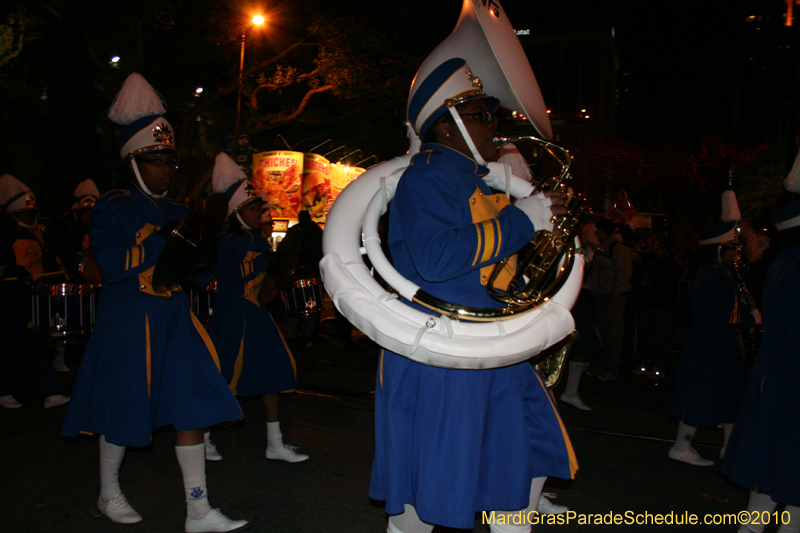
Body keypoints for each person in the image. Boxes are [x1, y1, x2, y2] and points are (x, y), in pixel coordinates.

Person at [369, 57, 577, 533]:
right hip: (445, 351)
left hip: (488, 343)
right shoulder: (429, 176)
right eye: (482, 114)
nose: (494, 124)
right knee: (435, 481)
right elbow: (437, 258)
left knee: (518, 459)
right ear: (446, 127)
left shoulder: (471, 180)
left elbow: (487, 270)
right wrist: (523, 219)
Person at [61, 73, 248, 532]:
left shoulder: (181, 210)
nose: (168, 168)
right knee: (123, 409)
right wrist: (165, 240)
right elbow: (111, 267)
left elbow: (198, 274)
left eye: (171, 160)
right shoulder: (114, 207)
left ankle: (199, 510)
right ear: (133, 161)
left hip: (174, 318)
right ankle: (109, 493)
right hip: (128, 320)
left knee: (192, 408)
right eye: (157, 159)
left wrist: (204, 252)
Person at [203, 151, 308, 464]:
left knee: (274, 375)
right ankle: (203, 438)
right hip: (233, 318)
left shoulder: (260, 241)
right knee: (223, 379)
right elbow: (227, 279)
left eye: (257, 206)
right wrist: (259, 264)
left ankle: (274, 443)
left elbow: (267, 285)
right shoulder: (225, 241)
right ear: (236, 211)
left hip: (258, 318)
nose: (257, 212)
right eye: (251, 208)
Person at [720, 191, 800, 533]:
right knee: (786, 471)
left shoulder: (787, 264)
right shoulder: (796, 269)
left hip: (781, 377)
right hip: (789, 381)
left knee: (776, 469)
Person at [668, 219, 760, 466]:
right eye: (731, 248)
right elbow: (719, 315)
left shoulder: (715, 273)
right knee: (700, 395)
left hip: (717, 344)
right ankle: (681, 446)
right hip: (709, 345)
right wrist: (750, 317)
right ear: (720, 249)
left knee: (732, 394)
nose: (734, 253)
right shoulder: (715, 275)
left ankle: (730, 450)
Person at [0, 173, 70, 409]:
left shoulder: (37, 235)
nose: (30, 217)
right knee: (10, 346)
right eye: (24, 214)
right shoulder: (4, 236)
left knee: (35, 343)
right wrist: (13, 270)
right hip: (11, 298)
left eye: (32, 213)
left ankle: (50, 393)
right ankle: (4, 391)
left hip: (32, 297)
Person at [631, 237, 681, 379]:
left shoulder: (669, 263)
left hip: (661, 305)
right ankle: (646, 362)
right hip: (646, 302)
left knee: (659, 337)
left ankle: (658, 365)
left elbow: (666, 280)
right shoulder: (649, 259)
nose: (654, 249)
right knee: (645, 335)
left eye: (658, 247)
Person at [590, 218, 632, 380]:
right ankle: (601, 365)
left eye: (598, 231)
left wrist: (616, 293)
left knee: (613, 334)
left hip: (613, 298)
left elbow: (624, 272)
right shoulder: (601, 248)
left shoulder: (617, 248)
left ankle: (611, 368)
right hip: (601, 296)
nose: (596, 234)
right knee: (602, 333)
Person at [278, 209, 324, 345]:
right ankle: (308, 336)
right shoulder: (318, 231)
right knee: (311, 308)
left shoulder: (294, 231)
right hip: (314, 273)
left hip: (296, 274)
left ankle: (291, 334)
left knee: (293, 308)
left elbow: (283, 251)